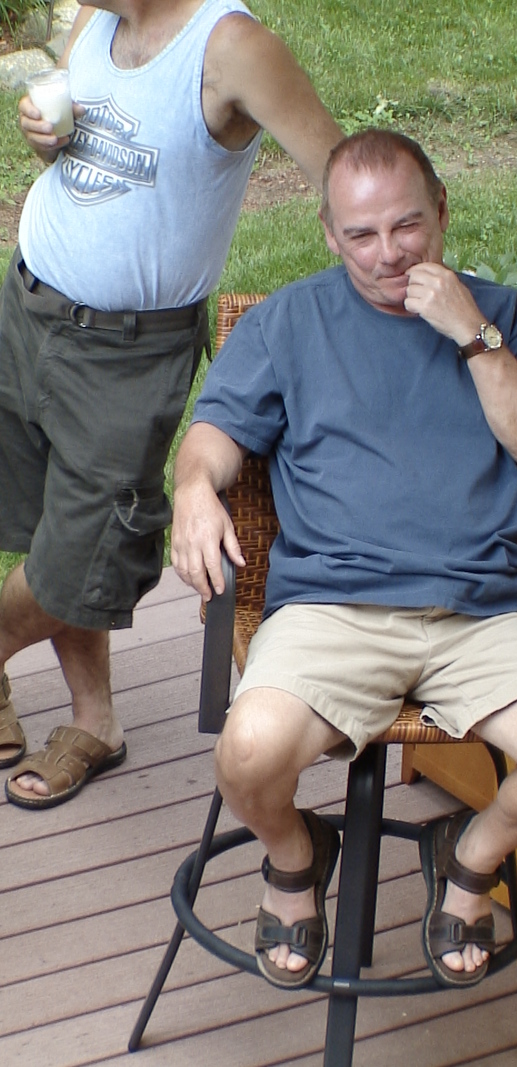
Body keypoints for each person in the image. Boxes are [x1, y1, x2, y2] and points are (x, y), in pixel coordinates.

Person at [170, 128, 517, 990]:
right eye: (361, 234)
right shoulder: (289, 321)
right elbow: (214, 436)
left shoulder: (505, 315)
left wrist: (473, 335)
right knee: (246, 756)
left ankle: (470, 856)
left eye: (407, 225)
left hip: (484, 609)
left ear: (442, 211)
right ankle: (296, 857)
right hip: (333, 606)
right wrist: (193, 487)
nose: (387, 254)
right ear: (329, 234)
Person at [0, 0, 342, 810]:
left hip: (127, 353)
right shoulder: (98, 18)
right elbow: (77, 146)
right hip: (28, 309)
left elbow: (348, 174)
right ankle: (95, 719)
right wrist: (44, 139)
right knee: (50, 528)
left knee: (84, 554)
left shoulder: (232, 47)